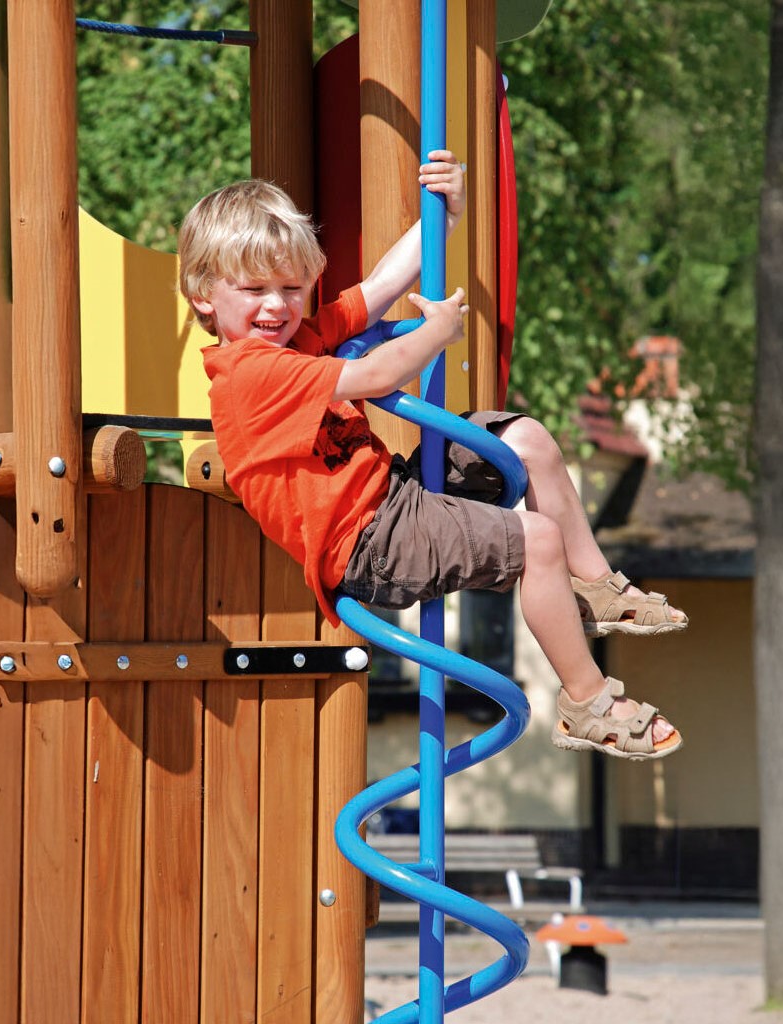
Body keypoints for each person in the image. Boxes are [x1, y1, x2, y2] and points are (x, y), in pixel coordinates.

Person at [179, 151, 686, 761]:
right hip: (368, 542)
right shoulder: (247, 372)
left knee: (526, 440)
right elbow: (373, 375)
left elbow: (378, 289)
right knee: (537, 540)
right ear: (204, 295)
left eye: (292, 288)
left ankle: (599, 586)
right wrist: (435, 332)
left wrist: (444, 213)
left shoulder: (298, 338)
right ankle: (589, 702)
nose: (277, 306)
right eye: (253, 289)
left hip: (393, 494)